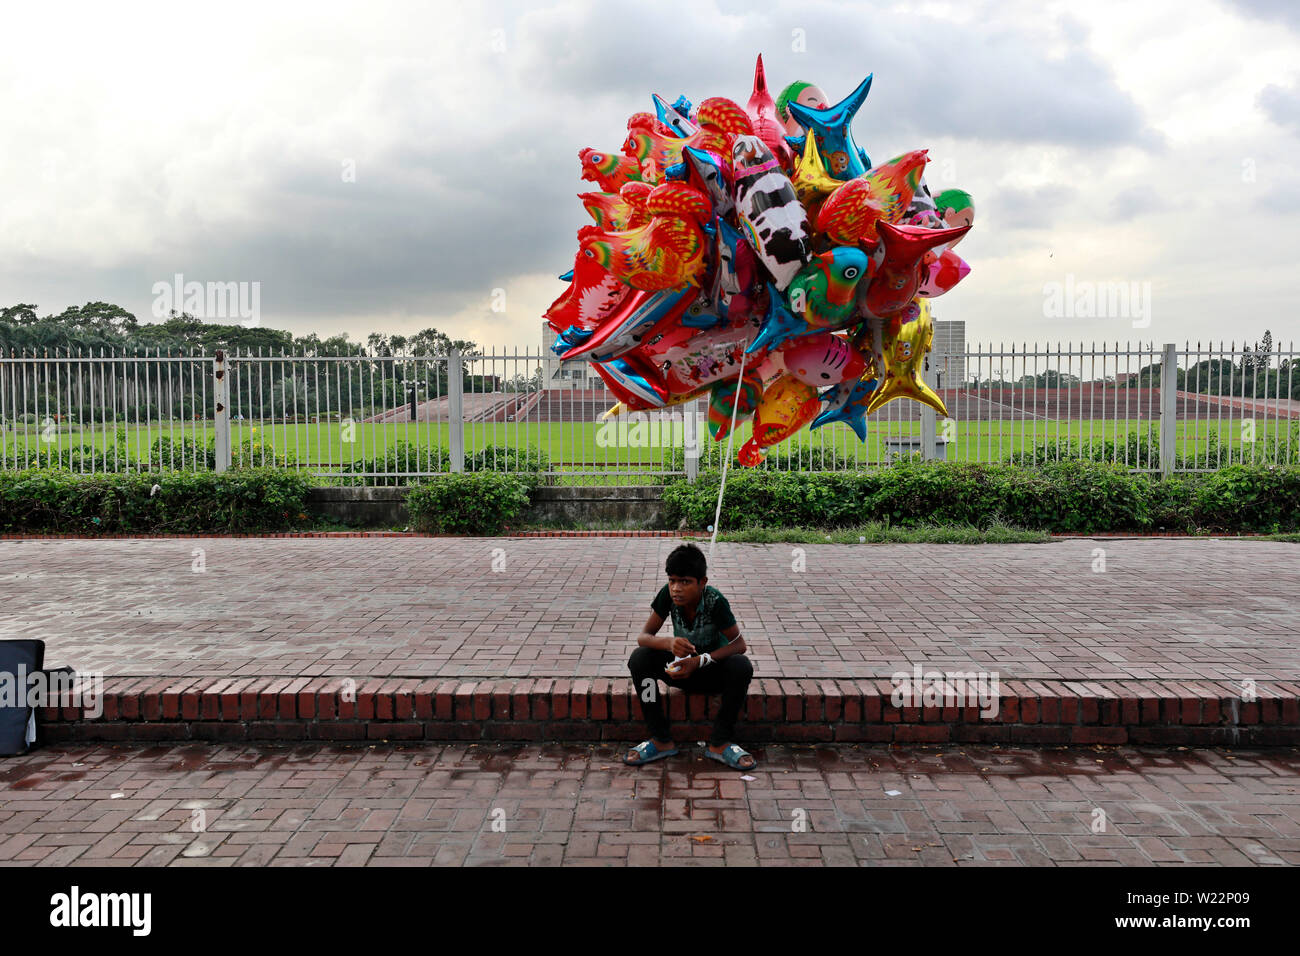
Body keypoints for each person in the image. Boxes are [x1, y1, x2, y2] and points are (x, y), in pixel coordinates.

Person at [624, 543, 756, 770]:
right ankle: (660, 739)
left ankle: (720, 743)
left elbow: (739, 645)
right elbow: (644, 637)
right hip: (681, 672)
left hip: (713, 674)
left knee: (741, 666)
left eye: (685, 582)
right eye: (672, 580)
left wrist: (700, 660)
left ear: (702, 582)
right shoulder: (667, 595)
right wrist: (668, 643)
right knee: (639, 659)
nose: (676, 588)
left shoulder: (715, 602)